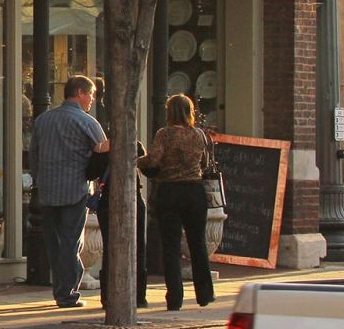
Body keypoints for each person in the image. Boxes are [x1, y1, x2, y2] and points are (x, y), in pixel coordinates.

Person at [31, 75, 110, 308]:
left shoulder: (43, 120)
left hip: (47, 190)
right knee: (70, 241)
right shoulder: (87, 122)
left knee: (55, 243)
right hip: (75, 189)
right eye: (91, 95)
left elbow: (34, 154)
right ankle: (67, 292)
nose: (92, 101)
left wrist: (39, 179)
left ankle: (61, 288)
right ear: (80, 93)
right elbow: (104, 151)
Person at [138, 94, 215, 311]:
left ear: (169, 111)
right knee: (197, 243)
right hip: (194, 190)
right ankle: (204, 293)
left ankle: (175, 298)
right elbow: (205, 163)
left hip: (169, 191)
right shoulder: (199, 135)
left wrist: (137, 160)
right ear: (190, 111)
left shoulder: (165, 134)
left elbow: (154, 160)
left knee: (170, 246)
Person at [93, 140, 148, 309]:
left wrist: (97, 152)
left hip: (108, 200)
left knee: (110, 248)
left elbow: (89, 173)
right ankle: (138, 296)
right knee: (137, 247)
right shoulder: (134, 144)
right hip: (133, 197)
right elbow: (147, 166)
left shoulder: (102, 149)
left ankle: (108, 296)